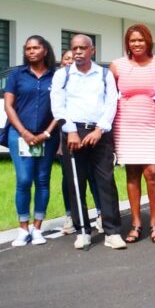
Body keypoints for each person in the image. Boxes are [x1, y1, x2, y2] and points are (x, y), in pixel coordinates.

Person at [50, 34, 124, 249]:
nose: (78, 52)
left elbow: (111, 103)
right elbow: (58, 106)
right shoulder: (62, 75)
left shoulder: (104, 74)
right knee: (75, 183)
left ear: (92, 50)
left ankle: (112, 232)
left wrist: (99, 130)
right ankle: (83, 230)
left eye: (83, 48)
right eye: (75, 48)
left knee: (106, 182)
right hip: (73, 133)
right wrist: (71, 131)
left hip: (99, 133)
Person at [110, 24, 155, 244]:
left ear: (148, 41)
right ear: (127, 44)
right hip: (126, 123)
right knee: (132, 173)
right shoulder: (117, 65)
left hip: (154, 123)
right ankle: (136, 223)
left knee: (152, 172)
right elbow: (108, 97)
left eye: (140, 40)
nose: (137, 44)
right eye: (132, 41)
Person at [3, 36, 59, 247]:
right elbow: (9, 106)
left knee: (42, 180)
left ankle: (37, 228)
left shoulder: (56, 76)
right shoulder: (17, 74)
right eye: (28, 49)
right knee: (24, 180)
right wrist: (24, 132)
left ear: (45, 50)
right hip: (19, 135)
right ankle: (23, 228)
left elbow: (61, 107)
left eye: (36, 48)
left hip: (47, 135)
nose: (31, 51)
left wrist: (46, 133)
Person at [56, 50, 102, 236]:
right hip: (64, 134)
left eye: (72, 58)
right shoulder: (60, 80)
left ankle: (100, 213)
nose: (70, 61)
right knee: (70, 178)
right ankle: (71, 215)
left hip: (88, 131)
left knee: (93, 175)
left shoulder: (89, 80)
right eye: (66, 59)